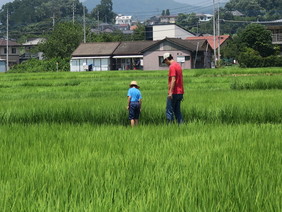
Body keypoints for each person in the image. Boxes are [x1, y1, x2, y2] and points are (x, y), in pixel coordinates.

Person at [163, 52, 184, 124]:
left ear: (166, 59)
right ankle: (181, 125)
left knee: (169, 110)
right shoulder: (178, 65)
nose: (165, 63)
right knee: (177, 111)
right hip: (180, 92)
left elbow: (173, 80)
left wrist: (170, 93)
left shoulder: (172, 66)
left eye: (165, 61)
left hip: (174, 92)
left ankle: (170, 127)